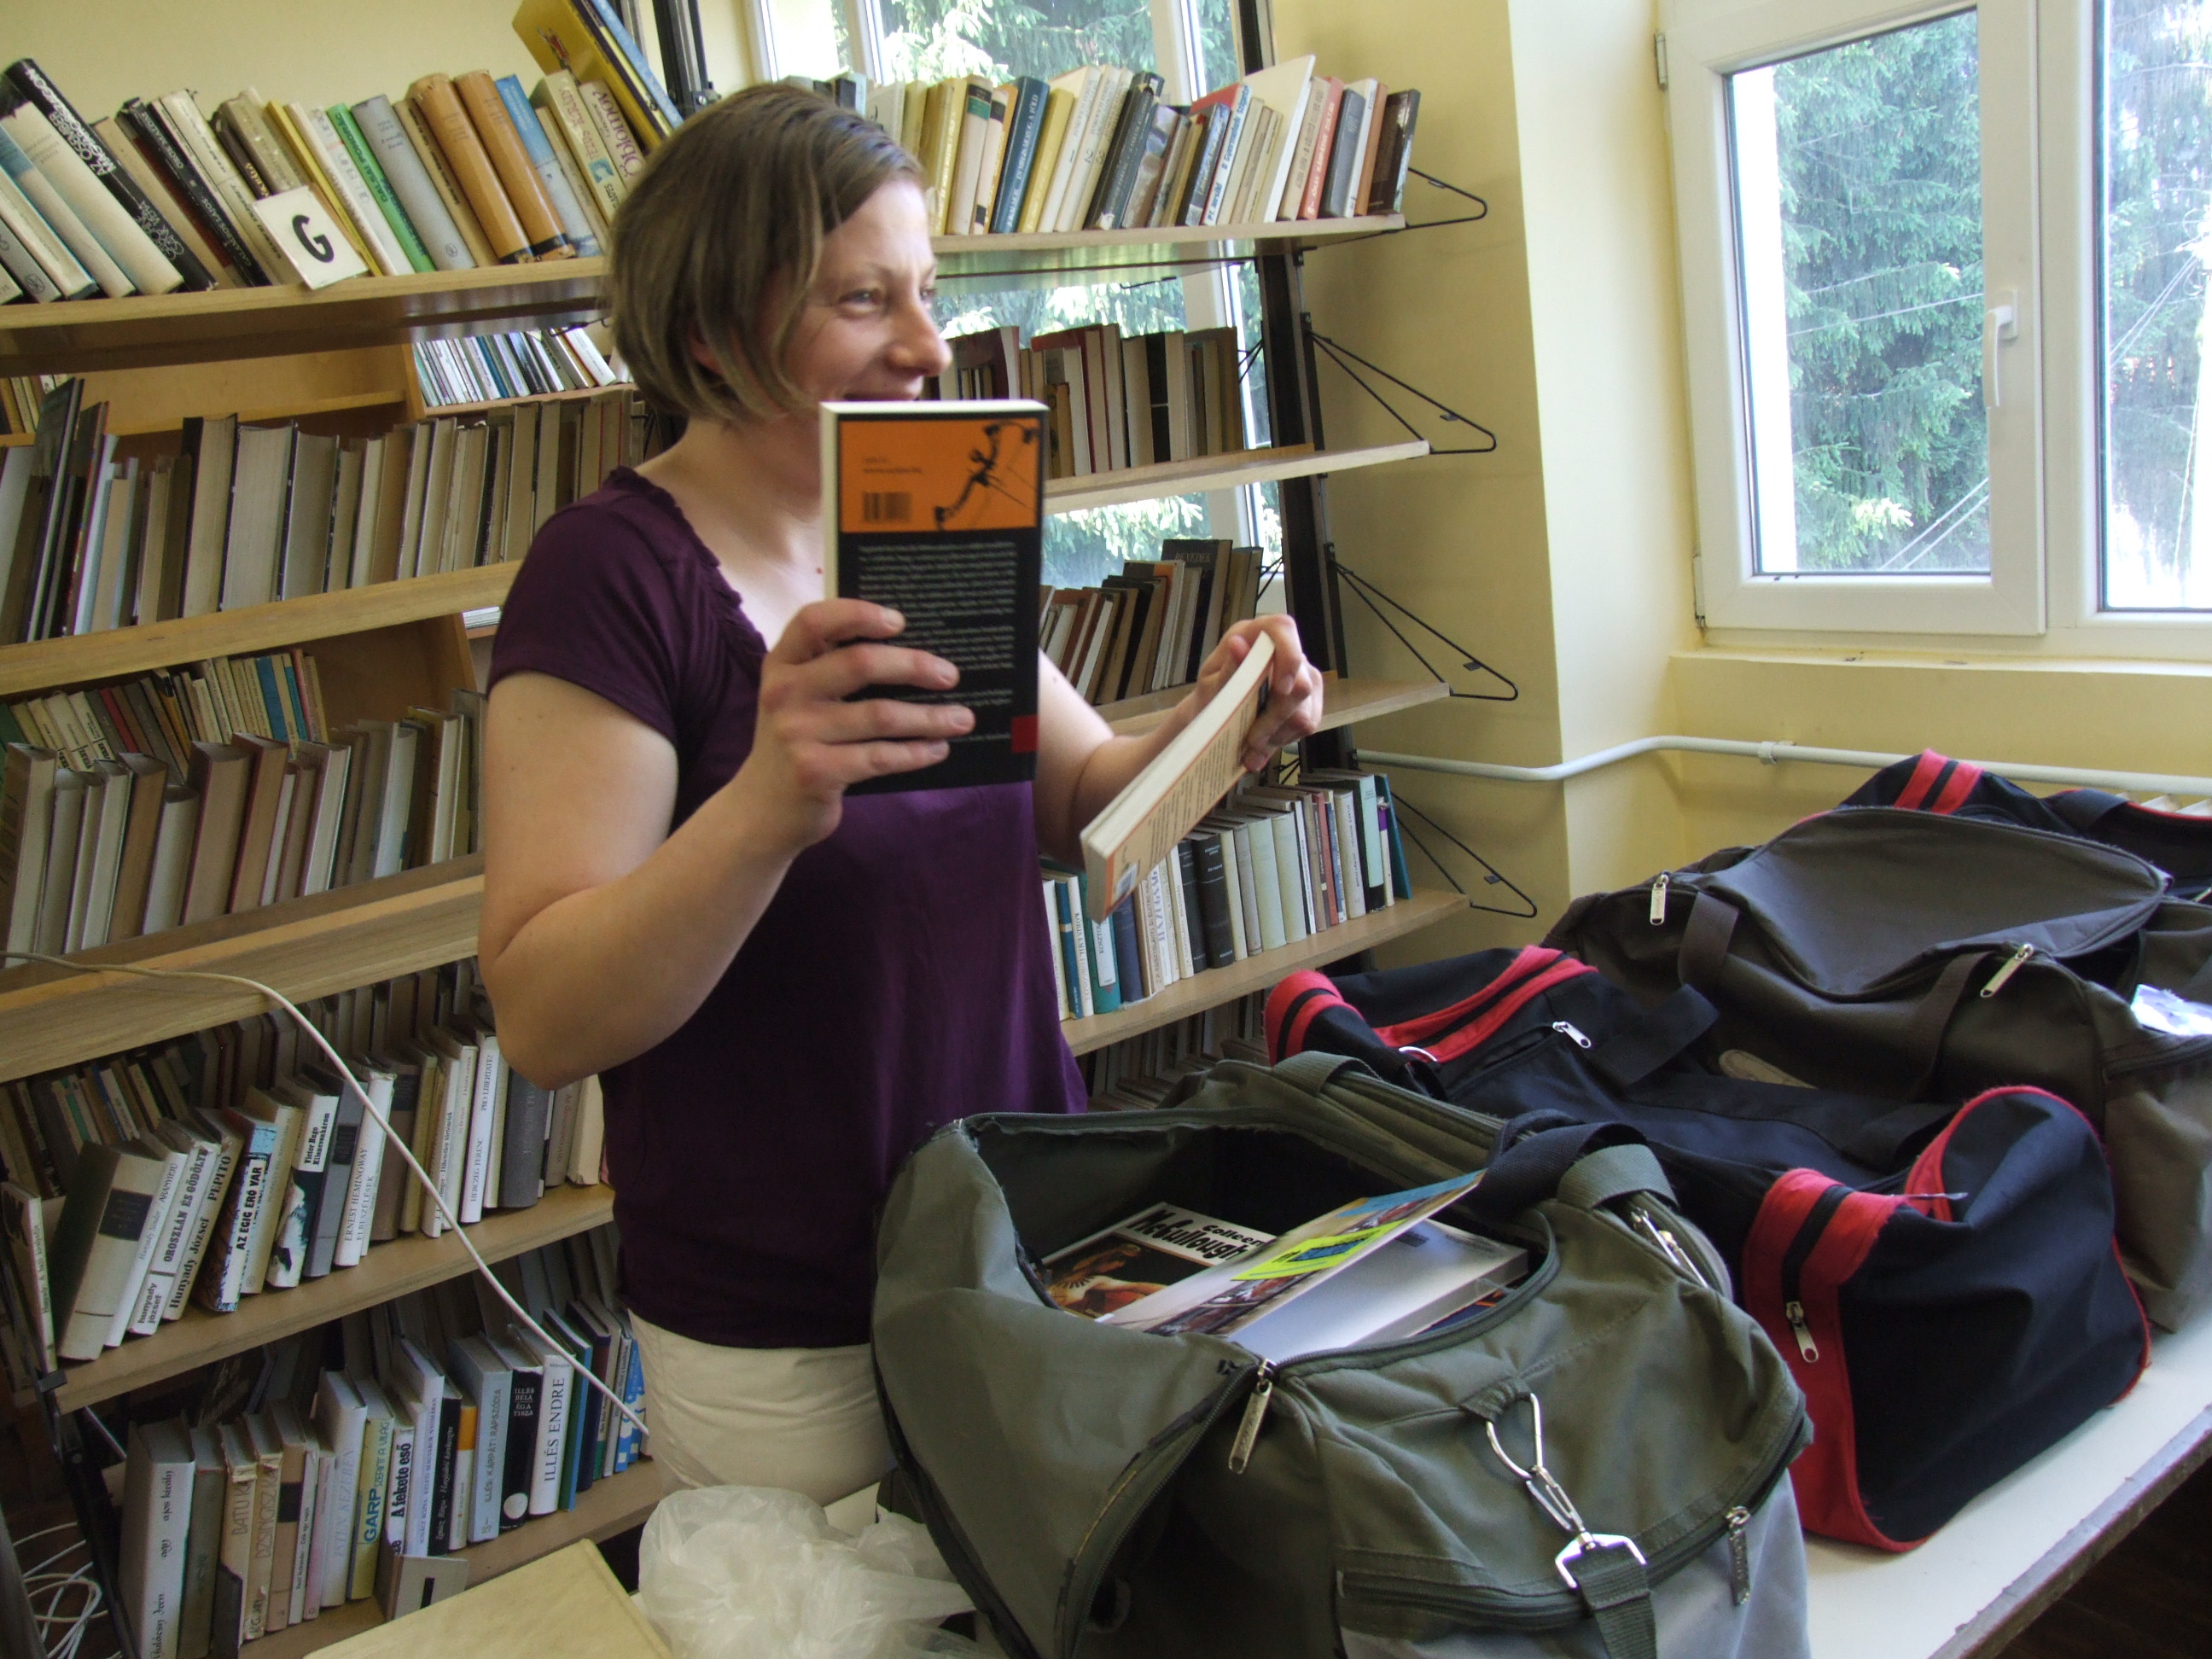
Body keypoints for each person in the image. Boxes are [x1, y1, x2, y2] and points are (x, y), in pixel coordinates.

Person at [476, 84, 1325, 1513]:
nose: (929, 349)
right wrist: (767, 802)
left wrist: (1216, 725)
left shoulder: (927, 507)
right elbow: (546, 1018)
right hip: (799, 1325)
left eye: (925, 292)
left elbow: (1076, 804)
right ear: (713, 329)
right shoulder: (609, 576)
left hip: (1021, 1240)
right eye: (864, 300)